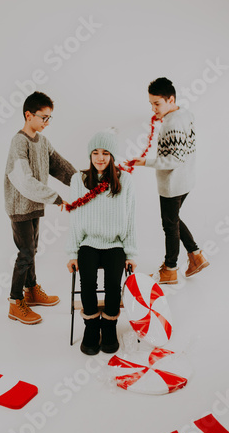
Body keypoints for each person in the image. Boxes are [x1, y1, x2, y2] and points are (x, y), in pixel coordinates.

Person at [4, 91, 76, 324]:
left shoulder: (42, 141)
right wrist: (56, 198)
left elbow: (60, 166)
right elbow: (24, 180)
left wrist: (81, 182)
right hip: (20, 205)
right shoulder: (19, 142)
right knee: (25, 253)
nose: (46, 122)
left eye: (49, 118)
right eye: (43, 117)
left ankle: (32, 290)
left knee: (32, 248)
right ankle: (15, 303)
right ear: (28, 115)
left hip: (34, 204)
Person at [132, 77, 209, 284]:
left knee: (169, 225)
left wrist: (143, 162)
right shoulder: (185, 113)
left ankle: (171, 268)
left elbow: (174, 159)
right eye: (151, 104)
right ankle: (195, 255)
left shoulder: (172, 123)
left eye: (157, 103)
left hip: (173, 184)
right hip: (185, 180)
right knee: (173, 220)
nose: (153, 108)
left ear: (170, 99)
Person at [66, 131, 137, 355]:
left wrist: (131, 253)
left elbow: (131, 217)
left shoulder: (125, 180)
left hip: (115, 243)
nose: (100, 158)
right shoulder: (79, 179)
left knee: (114, 284)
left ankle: (109, 326)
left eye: (105, 153)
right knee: (87, 282)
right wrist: (72, 252)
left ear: (112, 156)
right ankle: (91, 327)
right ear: (90, 155)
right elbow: (75, 218)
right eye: (95, 152)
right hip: (89, 242)